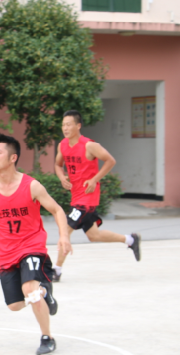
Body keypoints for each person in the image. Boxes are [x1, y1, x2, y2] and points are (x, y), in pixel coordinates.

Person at [0, 134, 73, 355]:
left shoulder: (31, 186)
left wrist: (64, 236)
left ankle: (47, 337)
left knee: (29, 290)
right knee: (15, 305)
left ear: (12, 158)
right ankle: (44, 291)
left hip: (31, 246)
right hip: (5, 252)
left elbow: (57, 210)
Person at [52, 110, 140, 283]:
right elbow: (57, 164)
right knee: (94, 235)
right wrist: (62, 177)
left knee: (65, 230)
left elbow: (110, 160)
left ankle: (56, 270)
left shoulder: (89, 145)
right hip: (76, 196)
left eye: (69, 124)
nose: (65, 128)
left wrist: (94, 179)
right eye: (63, 125)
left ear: (78, 126)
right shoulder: (62, 145)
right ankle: (130, 240)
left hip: (87, 198)